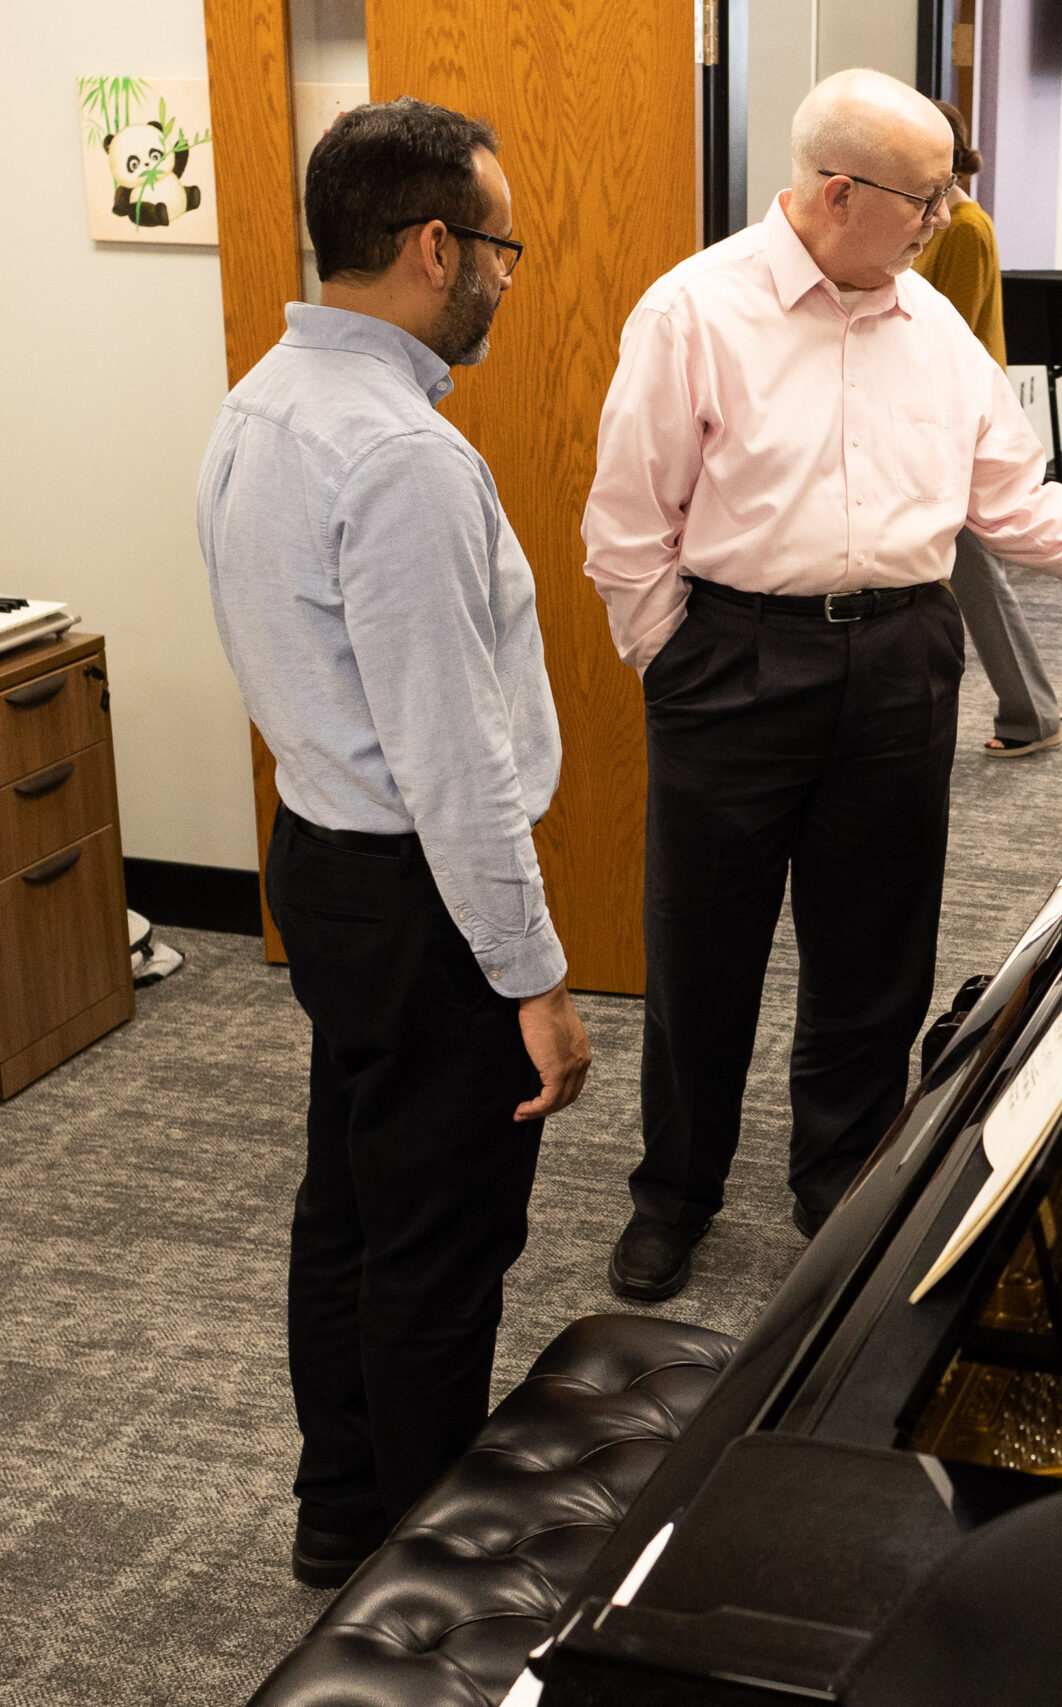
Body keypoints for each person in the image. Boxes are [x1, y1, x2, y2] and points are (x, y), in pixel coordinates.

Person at [581, 70, 1062, 1302]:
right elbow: (628, 531)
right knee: (705, 947)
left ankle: (838, 1178)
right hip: (734, 660)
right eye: (928, 194)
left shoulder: (932, 328)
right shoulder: (694, 313)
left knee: (876, 944)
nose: (945, 216)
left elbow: (1019, 513)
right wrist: (677, 666)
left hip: (901, 659)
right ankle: (675, 1191)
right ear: (838, 193)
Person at [195, 98, 592, 1587]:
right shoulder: (404, 458)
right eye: (501, 245)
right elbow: (455, 762)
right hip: (421, 892)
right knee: (440, 1245)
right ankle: (434, 1574)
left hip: (322, 858)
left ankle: (341, 1509)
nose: (507, 274)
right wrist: (537, 979)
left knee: (351, 1208)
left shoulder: (260, 399)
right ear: (435, 247)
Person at [915, 98, 1062, 758]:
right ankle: (1030, 709)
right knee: (972, 569)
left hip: (955, 422)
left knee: (976, 567)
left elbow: (946, 336)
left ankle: (1031, 711)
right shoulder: (948, 225)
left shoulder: (966, 229)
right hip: (933, 421)